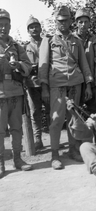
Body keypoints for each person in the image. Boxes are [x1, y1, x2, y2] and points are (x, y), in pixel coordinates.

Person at [38, 5, 93, 169]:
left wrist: (88, 85)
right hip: (57, 85)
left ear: (70, 21)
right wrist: (44, 88)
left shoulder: (76, 41)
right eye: (60, 21)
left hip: (75, 84)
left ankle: (73, 150)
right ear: (55, 21)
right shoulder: (48, 41)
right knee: (56, 119)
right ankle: (55, 154)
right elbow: (43, 66)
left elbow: (84, 64)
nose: (63, 23)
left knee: (73, 119)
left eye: (66, 20)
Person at [0, 8, 32, 178]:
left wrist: (19, 65)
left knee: (16, 128)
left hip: (16, 92)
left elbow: (29, 67)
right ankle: (1, 164)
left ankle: (18, 159)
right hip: (0, 94)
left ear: (10, 25)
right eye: (0, 25)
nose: (3, 28)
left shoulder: (17, 46)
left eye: (6, 24)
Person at [24, 16, 50, 151]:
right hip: (32, 83)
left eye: (36, 26)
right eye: (31, 27)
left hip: (48, 82)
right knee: (35, 112)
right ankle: (38, 138)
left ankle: (54, 136)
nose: (34, 29)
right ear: (28, 30)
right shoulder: (25, 47)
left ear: (41, 28)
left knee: (51, 110)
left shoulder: (48, 43)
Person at [73, 8, 96, 114]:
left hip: (92, 80)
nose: (83, 25)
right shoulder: (71, 39)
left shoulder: (95, 39)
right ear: (76, 23)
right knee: (75, 111)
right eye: (80, 22)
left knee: (93, 110)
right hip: (76, 80)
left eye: (86, 22)